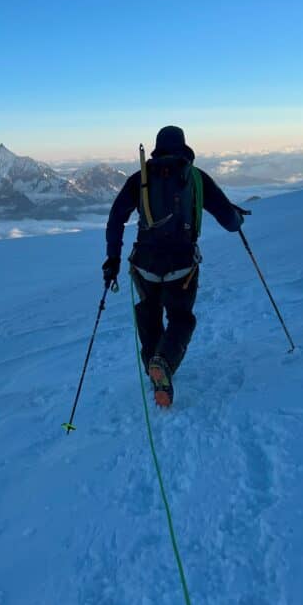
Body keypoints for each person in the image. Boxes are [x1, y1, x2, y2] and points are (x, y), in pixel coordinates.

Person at [103, 125, 245, 407]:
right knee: (180, 318)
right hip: (182, 266)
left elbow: (116, 218)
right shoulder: (196, 177)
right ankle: (164, 363)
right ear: (184, 146)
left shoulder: (140, 179)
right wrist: (238, 219)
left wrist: (113, 259)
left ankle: (154, 367)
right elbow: (229, 221)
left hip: (144, 265)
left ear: (157, 148)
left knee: (148, 314)